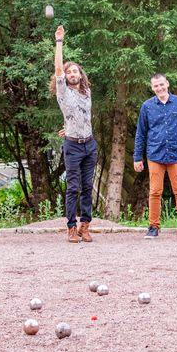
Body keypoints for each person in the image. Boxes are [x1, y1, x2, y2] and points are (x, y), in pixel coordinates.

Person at [133, 73, 177, 239]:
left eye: (161, 84)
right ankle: (153, 227)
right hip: (155, 154)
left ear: (167, 84)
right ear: (152, 88)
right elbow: (141, 133)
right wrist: (137, 158)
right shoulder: (147, 106)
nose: (159, 88)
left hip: (176, 154)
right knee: (155, 191)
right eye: (156, 86)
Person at [49, 25, 98, 243]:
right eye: (69, 72)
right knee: (73, 187)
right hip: (73, 147)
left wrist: (67, 126)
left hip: (90, 144)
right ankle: (70, 226)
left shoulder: (86, 92)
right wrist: (59, 42)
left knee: (88, 186)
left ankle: (84, 225)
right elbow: (58, 69)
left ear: (80, 74)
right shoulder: (63, 92)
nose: (71, 74)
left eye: (75, 71)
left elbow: (81, 117)